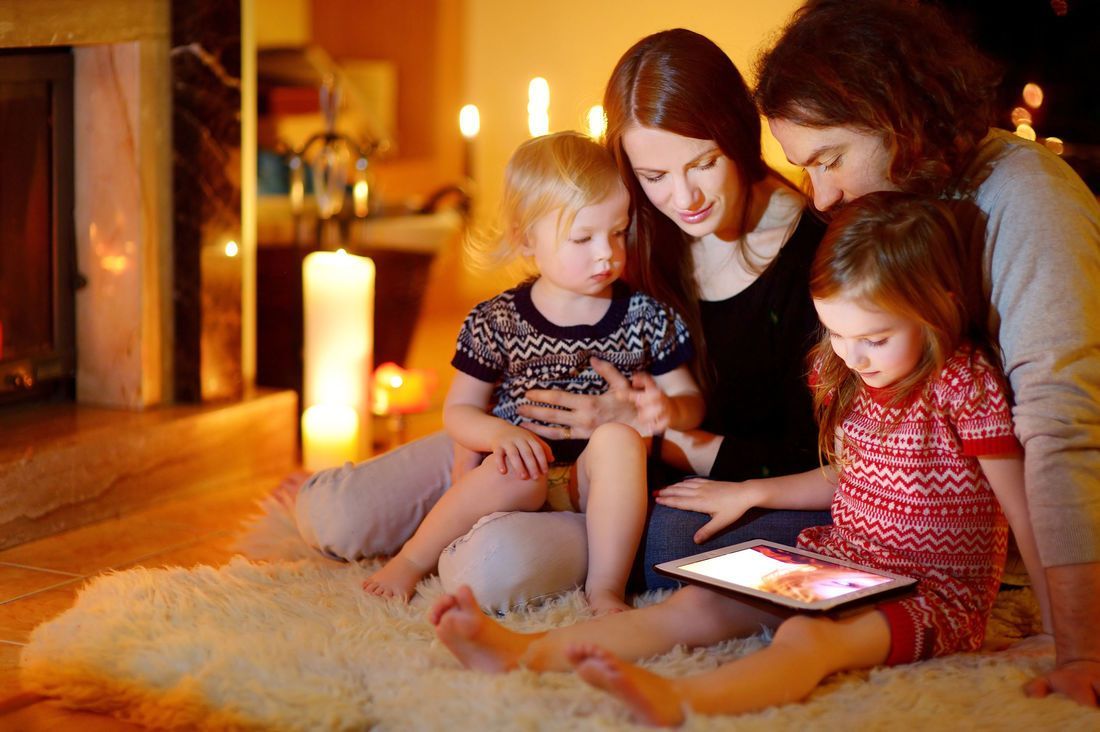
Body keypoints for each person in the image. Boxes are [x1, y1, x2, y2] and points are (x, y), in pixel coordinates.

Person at [429, 191, 1052, 726]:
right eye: (837, 333)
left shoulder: (963, 385)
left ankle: (682, 698)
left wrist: (1061, 635)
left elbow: (1027, 513)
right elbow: (850, 474)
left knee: (807, 638)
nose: (855, 355)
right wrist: (752, 492)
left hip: (933, 593)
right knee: (697, 600)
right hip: (846, 561)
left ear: (935, 304)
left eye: (875, 338)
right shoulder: (858, 375)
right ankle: (524, 653)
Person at [290, 28, 831, 607]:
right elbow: (545, 292)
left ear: (740, 135)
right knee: (334, 515)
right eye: (653, 177)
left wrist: (655, 430)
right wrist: (477, 439)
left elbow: (807, 459)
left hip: (627, 481)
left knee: (487, 568)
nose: (683, 198)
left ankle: (487, 545)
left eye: (703, 163)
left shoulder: (812, 261)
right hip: (521, 450)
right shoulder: (629, 219)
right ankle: (443, 528)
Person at [753, 0, 1100, 707]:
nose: (821, 195)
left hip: (1007, 525)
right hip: (918, 521)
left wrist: (1082, 646)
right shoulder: (907, 198)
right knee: (688, 540)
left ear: (896, 116)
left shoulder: (1028, 198)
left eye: (830, 159)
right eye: (804, 167)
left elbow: (1062, 428)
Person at [362, 131, 703, 612]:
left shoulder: (646, 316)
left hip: (596, 483)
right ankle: (411, 559)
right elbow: (459, 410)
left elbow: (691, 403)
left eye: (618, 231)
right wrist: (499, 434)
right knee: (513, 469)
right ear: (526, 238)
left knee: (620, 440)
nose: (606, 252)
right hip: (519, 476)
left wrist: (668, 408)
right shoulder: (497, 319)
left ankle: (605, 589)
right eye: (582, 238)